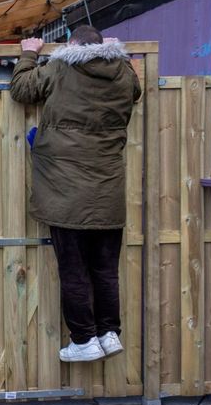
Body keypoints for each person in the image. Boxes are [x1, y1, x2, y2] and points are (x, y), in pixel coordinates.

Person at [9, 26, 142, 363]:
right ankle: (109, 334)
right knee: (105, 270)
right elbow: (137, 89)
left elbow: (22, 89)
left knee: (73, 270)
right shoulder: (124, 74)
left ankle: (83, 339)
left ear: (70, 45)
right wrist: (120, 55)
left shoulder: (60, 67)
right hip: (108, 191)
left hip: (64, 192)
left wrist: (28, 53)